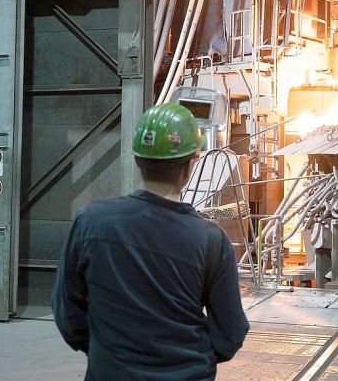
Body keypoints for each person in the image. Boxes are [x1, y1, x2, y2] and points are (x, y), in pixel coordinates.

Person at [52, 102, 249, 380]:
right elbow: (230, 333)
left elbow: (66, 312)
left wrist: (104, 349)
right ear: (191, 163)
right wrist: (189, 359)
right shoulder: (211, 242)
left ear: (136, 159)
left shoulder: (91, 222)